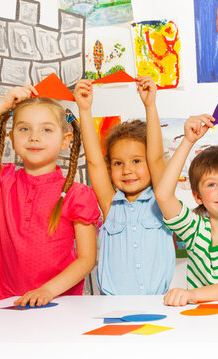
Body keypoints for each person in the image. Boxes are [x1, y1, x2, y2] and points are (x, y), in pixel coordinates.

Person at [0, 86, 99, 306]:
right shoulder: (2, 179)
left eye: (46, 130)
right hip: (2, 306)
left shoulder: (77, 195)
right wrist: (2, 105)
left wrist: (47, 291)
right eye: (24, 129)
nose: (34, 137)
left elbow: (87, 259)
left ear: (65, 140)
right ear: (11, 137)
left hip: (58, 306)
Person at [74, 77, 175, 295]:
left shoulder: (162, 200)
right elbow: (94, 163)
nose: (127, 170)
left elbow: (156, 157)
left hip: (157, 303)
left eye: (136, 161)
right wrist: (84, 109)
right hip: (111, 304)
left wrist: (150, 105)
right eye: (118, 163)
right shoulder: (111, 204)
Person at [153, 114, 218, 306]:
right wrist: (187, 141)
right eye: (211, 185)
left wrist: (192, 295)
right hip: (201, 323)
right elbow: (163, 195)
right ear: (197, 197)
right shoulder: (194, 229)